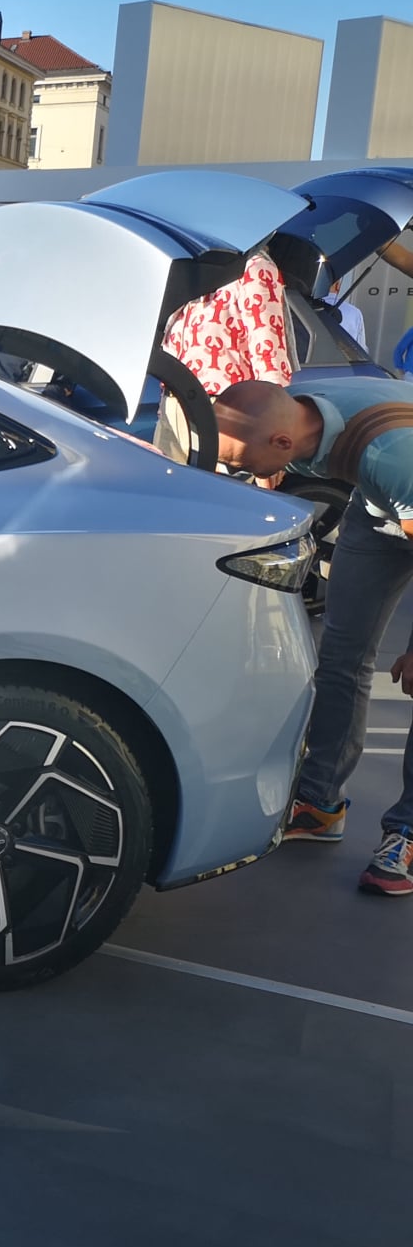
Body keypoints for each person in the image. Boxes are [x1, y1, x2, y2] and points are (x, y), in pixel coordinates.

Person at [216, 376, 413, 896]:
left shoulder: (390, 453)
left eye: (242, 463)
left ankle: (408, 832)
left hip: (403, 485)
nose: (239, 472)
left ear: (283, 443)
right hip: (379, 509)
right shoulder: (292, 407)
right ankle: (321, 804)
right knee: (343, 658)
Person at [160, 251, 288, 397]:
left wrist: (275, 405)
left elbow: (269, 356)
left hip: (226, 403)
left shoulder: (252, 268)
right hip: (174, 401)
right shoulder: (188, 273)